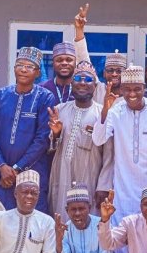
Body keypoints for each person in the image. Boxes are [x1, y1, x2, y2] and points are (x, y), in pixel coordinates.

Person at [92, 65, 147, 253]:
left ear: (144, 87)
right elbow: (99, 139)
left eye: (137, 89)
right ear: (122, 89)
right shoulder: (116, 111)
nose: (132, 94)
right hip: (123, 189)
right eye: (127, 90)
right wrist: (106, 109)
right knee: (121, 236)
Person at [0, 47, 56, 212]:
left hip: (32, 173)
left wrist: (16, 169)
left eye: (29, 67)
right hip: (0, 174)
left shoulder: (45, 98)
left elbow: (42, 139)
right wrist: (2, 166)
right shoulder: (1, 96)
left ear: (37, 73)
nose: (23, 69)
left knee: (31, 226)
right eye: (19, 65)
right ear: (14, 68)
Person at [48, 61, 112, 218]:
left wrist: (103, 186)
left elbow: (109, 155)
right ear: (72, 83)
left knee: (88, 219)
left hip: (90, 178)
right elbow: (51, 148)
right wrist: (56, 134)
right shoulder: (60, 109)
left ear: (95, 86)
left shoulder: (102, 113)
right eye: (78, 78)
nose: (83, 83)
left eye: (88, 80)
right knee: (60, 217)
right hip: (61, 175)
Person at [71, 3, 127, 105]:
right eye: (110, 70)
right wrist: (79, 30)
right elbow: (83, 58)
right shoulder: (97, 89)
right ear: (104, 73)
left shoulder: (130, 96)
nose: (114, 74)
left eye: (119, 71)